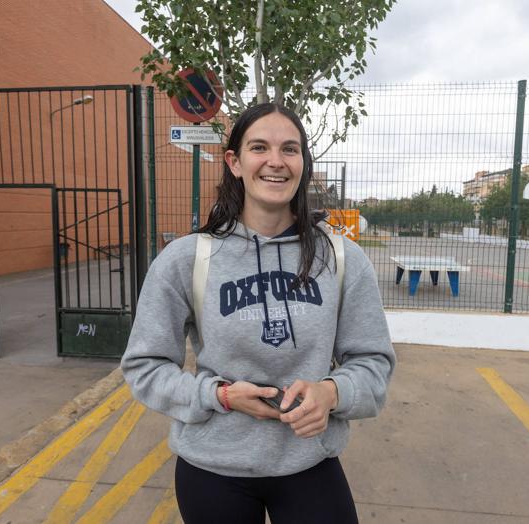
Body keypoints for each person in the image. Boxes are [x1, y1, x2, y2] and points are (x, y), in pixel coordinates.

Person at [121, 103, 395, 523]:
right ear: (234, 161)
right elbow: (145, 365)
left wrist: (331, 393)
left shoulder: (342, 259)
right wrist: (219, 396)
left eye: (289, 149)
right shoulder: (186, 259)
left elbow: (373, 363)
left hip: (309, 462)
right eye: (259, 147)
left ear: (302, 162)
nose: (275, 162)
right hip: (213, 467)